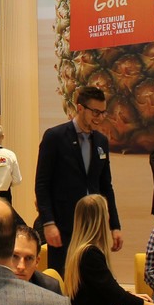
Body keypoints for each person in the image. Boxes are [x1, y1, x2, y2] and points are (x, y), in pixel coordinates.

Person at [34, 85, 121, 272]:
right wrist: (48, 223)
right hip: (63, 225)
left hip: (94, 226)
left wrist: (114, 225)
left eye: (103, 113)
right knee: (64, 276)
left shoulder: (101, 141)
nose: (100, 118)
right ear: (80, 108)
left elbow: (106, 186)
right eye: (95, 112)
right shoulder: (54, 137)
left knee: (91, 275)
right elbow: (42, 185)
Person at [64, 194, 154, 305]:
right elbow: (119, 298)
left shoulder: (79, 251)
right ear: (101, 219)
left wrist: (131, 296)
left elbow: (107, 290)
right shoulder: (90, 255)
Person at [11, 224, 59, 293]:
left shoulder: (50, 289)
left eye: (29, 258)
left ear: (37, 262)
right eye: (15, 256)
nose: (21, 267)